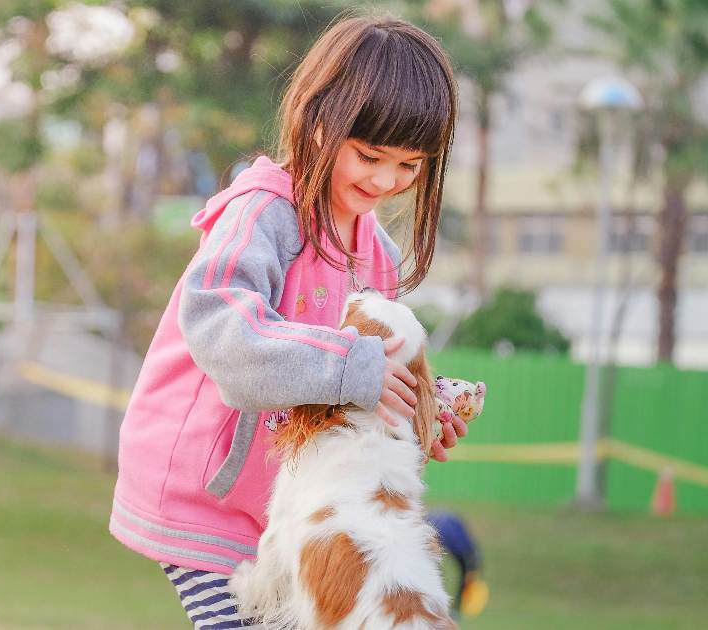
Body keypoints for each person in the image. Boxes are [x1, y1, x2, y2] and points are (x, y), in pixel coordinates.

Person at [109, 14, 465, 628]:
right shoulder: (264, 213)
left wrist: (413, 410)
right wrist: (358, 369)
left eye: (409, 166)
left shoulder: (372, 249)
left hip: (289, 501)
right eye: (370, 155)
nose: (385, 181)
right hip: (208, 493)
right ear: (317, 119)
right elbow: (222, 330)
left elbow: (356, 379)